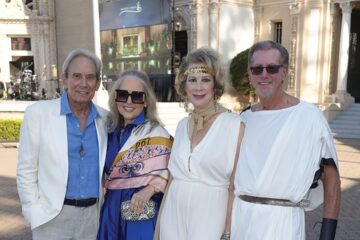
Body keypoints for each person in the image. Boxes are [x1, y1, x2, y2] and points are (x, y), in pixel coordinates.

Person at [231, 40, 341, 240]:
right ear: (249, 74)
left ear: (284, 72)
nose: (264, 75)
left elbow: (331, 177)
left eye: (272, 68)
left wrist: (327, 234)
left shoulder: (309, 117)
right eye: (257, 69)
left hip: (283, 224)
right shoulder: (244, 119)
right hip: (241, 220)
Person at [16, 48, 109, 239]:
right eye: (76, 76)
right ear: (64, 79)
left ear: (97, 83)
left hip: (93, 218)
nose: (83, 84)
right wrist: (32, 211)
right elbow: (26, 170)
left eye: (90, 77)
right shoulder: (38, 114)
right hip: (52, 218)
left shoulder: (106, 119)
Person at [158, 47, 245, 240]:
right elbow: (172, 177)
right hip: (174, 214)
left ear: (215, 85)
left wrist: (228, 230)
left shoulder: (234, 125)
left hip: (211, 214)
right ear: (184, 85)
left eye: (205, 80)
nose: (198, 87)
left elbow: (235, 186)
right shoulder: (181, 126)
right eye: (192, 80)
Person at [97, 70, 173, 240]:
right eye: (123, 95)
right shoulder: (107, 131)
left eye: (137, 96)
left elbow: (174, 173)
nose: (129, 102)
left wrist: (150, 189)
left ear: (146, 101)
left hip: (140, 215)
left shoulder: (157, 134)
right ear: (115, 98)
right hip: (111, 212)